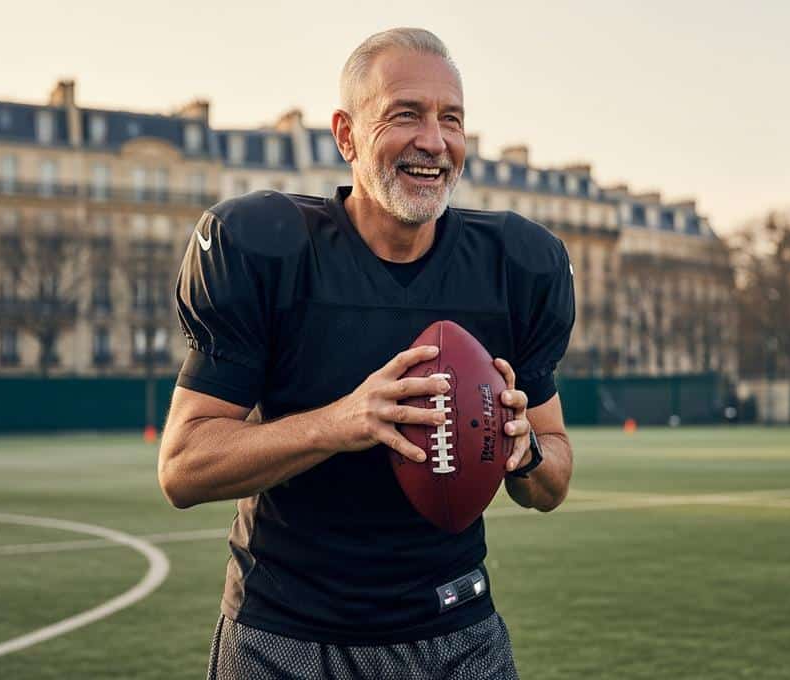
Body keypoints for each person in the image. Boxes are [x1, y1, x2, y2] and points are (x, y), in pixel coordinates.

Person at [158, 27, 576, 680]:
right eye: (406, 114)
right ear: (347, 135)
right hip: (287, 634)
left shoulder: (517, 265)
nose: (433, 141)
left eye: (451, 120)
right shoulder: (266, 248)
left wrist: (525, 451)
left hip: (456, 628)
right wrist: (343, 421)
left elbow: (552, 482)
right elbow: (183, 467)